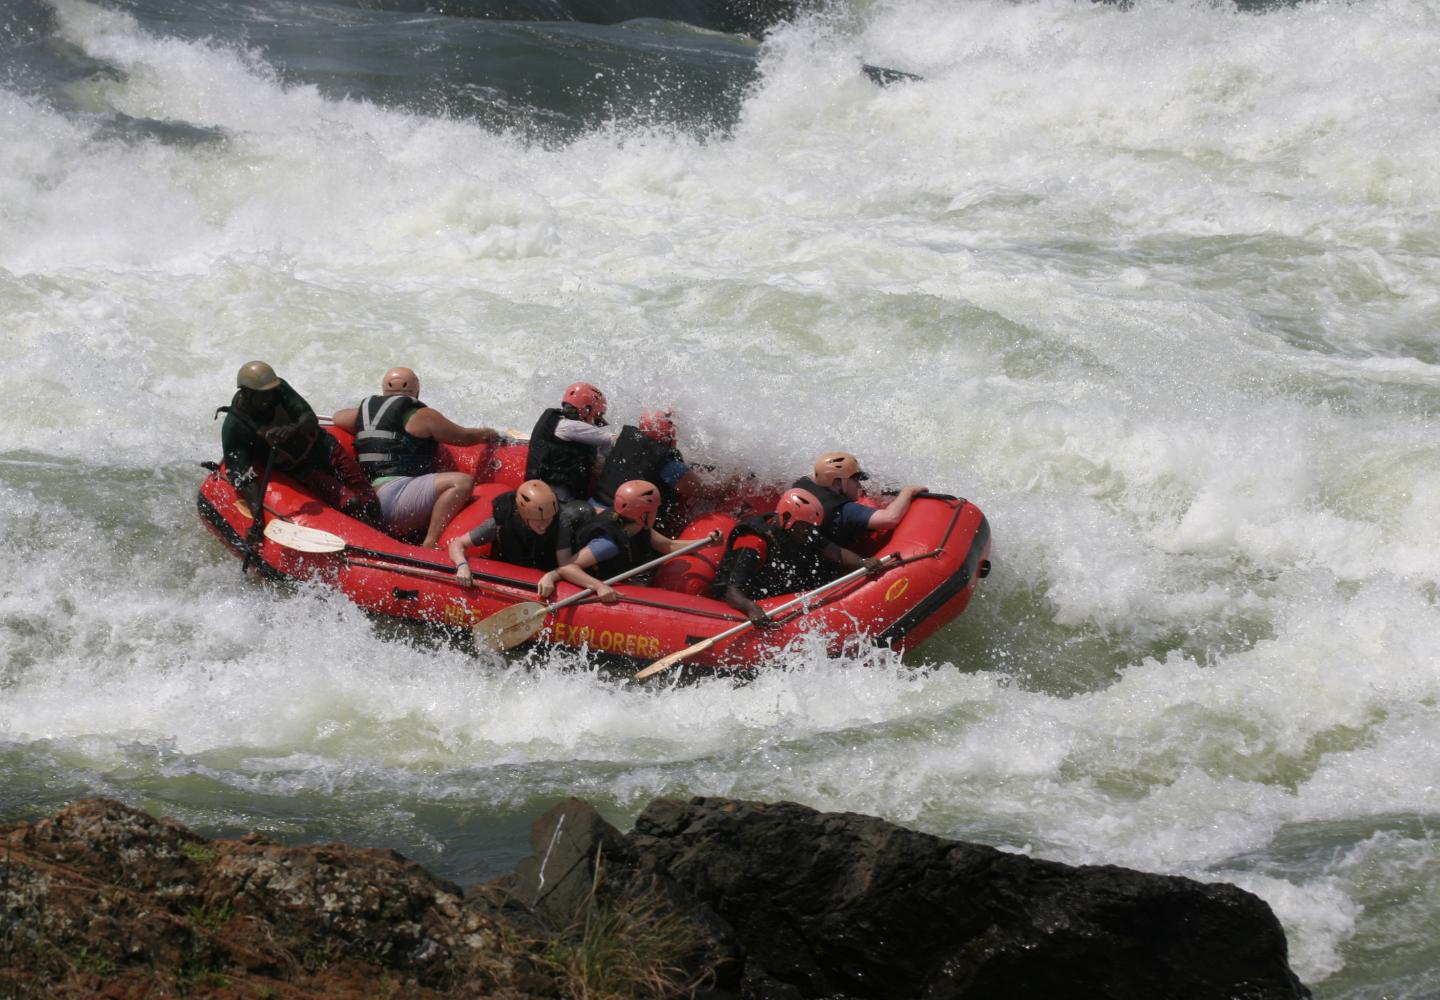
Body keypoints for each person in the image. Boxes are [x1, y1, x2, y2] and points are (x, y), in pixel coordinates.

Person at [332, 367, 499, 548]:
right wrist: (487, 433)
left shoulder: (362, 414)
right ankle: (429, 544)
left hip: (369, 499)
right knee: (462, 483)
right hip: (393, 502)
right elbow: (465, 438)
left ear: (384, 390)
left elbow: (337, 417)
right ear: (416, 391)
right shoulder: (423, 416)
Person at [219, 361, 381, 548]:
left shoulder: (278, 388)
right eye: (263, 395)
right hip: (304, 468)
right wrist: (258, 521)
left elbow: (309, 417)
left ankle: (387, 537)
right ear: (246, 393)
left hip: (324, 446)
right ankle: (373, 545)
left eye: (271, 392)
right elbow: (242, 478)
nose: (269, 397)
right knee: (352, 502)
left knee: (370, 501)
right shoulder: (235, 427)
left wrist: (292, 430)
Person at [711, 487, 881, 628]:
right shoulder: (753, 540)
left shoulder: (803, 529)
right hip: (752, 597)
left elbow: (837, 553)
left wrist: (862, 562)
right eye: (804, 527)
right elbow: (730, 590)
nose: (808, 532)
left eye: (810, 527)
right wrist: (750, 607)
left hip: (786, 587)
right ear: (786, 518)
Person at [538, 480, 693, 604]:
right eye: (654, 510)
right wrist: (599, 586)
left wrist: (710, 542)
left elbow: (669, 546)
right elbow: (566, 567)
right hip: (596, 579)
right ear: (643, 514)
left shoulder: (636, 525)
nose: (656, 513)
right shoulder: (607, 544)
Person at [446, 480, 595, 591]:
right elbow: (457, 544)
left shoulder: (560, 523)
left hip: (544, 572)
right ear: (525, 515)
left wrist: (551, 576)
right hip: (509, 570)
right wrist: (462, 565)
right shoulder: (499, 523)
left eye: (549, 519)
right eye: (539, 521)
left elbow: (565, 566)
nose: (545, 525)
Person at [589, 409, 714, 528]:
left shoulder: (624, 441)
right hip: (623, 522)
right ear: (670, 435)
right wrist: (731, 481)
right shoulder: (668, 464)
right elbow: (706, 492)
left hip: (595, 505)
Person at [791, 451, 928, 545]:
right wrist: (907, 491)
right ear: (838, 482)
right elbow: (890, 519)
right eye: (855, 479)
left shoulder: (801, 485)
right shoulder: (844, 511)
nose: (860, 484)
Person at [524, 382, 618, 501]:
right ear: (587, 410)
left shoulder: (557, 422)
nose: (597, 420)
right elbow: (611, 439)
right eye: (598, 414)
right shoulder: (572, 427)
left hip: (544, 494)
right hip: (559, 502)